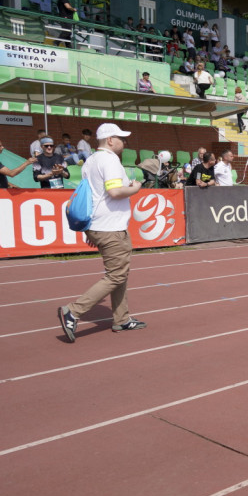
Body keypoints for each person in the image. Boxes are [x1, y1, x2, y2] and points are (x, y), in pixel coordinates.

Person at [57, 123, 146, 342]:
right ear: (110, 140)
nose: (124, 143)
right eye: (121, 138)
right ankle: (73, 311)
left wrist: (90, 227)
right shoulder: (109, 160)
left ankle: (121, 319)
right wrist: (136, 188)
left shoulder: (91, 160)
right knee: (116, 275)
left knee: (119, 274)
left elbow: (91, 195)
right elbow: (115, 191)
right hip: (111, 227)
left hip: (100, 225)